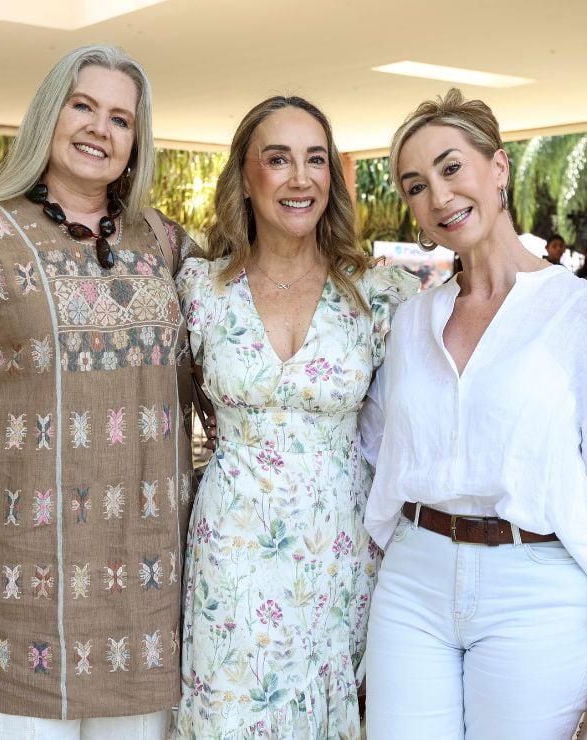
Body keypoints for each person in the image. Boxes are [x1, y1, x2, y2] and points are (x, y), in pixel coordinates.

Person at [0, 44, 199, 738]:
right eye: (82, 106)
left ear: (137, 141)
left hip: (145, 599)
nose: (99, 129)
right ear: (47, 115)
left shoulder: (166, 244)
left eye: (120, 118)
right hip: (14, 595)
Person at [361, 89, 587, 739]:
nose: (438, 196)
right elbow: (372, 446)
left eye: (451, 168)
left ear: (498, 168)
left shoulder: (585, 316)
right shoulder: (412, 322)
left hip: (535, 591)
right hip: (412, 582)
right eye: (416, 186)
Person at [172, 96, 416, 738]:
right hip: (233, 546)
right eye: (278, 159)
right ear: (244, 177)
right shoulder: (200, 289)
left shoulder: (378, 295)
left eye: (316, 160)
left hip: (340, 548)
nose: (300, 178)